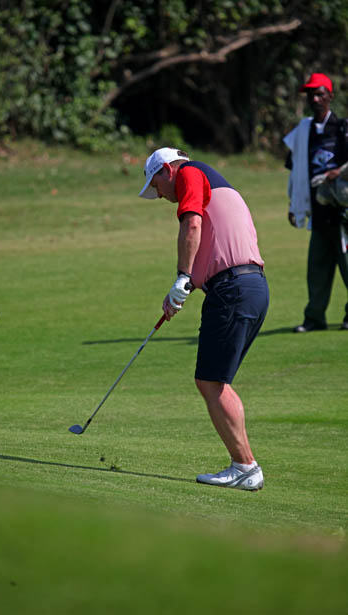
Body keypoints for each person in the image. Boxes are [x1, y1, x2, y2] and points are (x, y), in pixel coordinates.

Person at [139, 147, 269, 491]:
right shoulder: (211, 181)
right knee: (216, 381)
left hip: (233, 289)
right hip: (251, 287)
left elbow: (192, 223)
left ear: (167, 170)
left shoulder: (189, 174)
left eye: (156, 186)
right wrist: (181, 290)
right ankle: (245, 465)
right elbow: (214, 248)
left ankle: (245, 467)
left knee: (210, 381)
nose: (160, 195)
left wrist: (182, 276)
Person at [284, 73, 348, 332]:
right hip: (318, 213)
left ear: (330, 96)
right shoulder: (303, 131)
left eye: (320, 94)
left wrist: (338, 172)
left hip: (343, 214)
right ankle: (314, 318)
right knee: (317, 270)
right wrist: (293, 205)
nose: (315, 99)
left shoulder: (342, 128)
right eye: (311, 94)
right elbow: (295, 170)